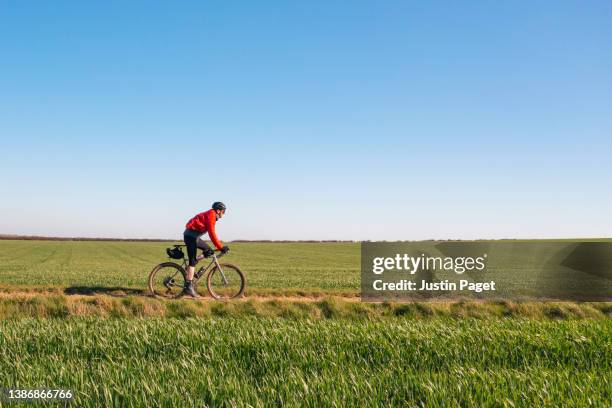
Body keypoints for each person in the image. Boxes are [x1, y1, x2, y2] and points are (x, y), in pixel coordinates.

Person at [181, 201, 229, 297]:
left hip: (193, 236)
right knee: (192, 262)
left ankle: (190, 268)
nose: (223, 214)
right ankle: (188, 287)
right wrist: (221, 247)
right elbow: (212, 233)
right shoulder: (211, 214)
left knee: (209, 251)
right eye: (223, 212)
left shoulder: (212, 215)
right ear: (218, 211)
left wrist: (219, 246)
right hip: (191, 236)